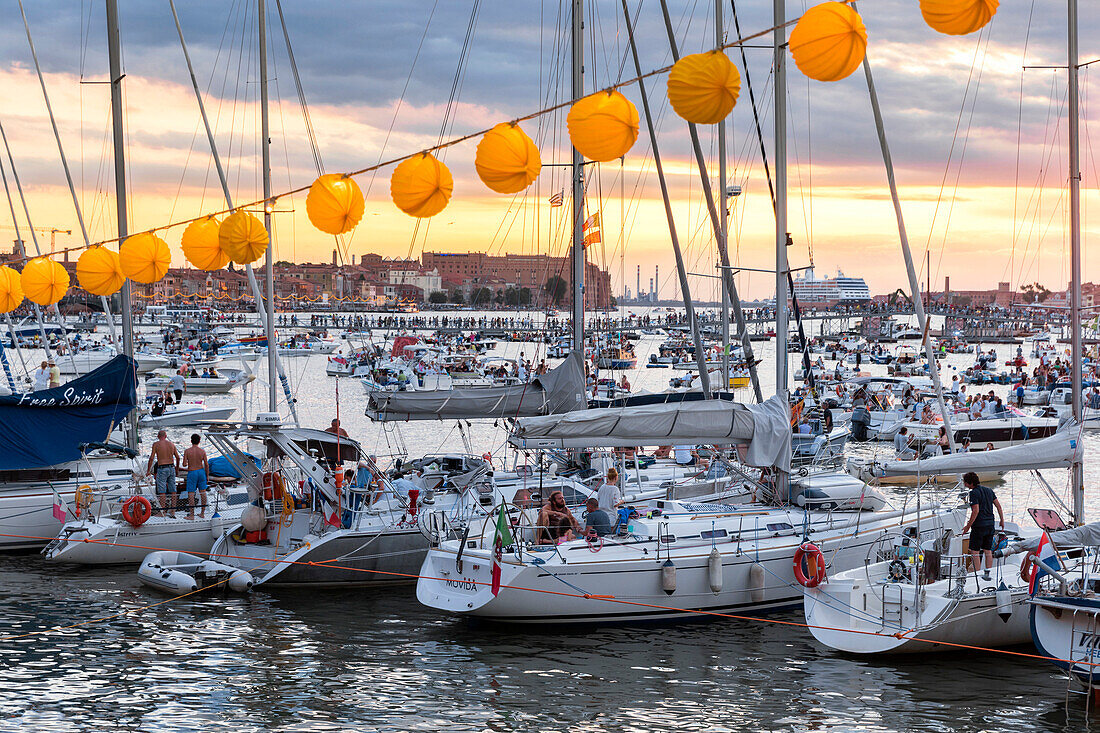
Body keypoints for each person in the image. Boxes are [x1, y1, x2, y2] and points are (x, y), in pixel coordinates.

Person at [960, 471, 1005, 582]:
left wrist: (967, 526)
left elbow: (975, 511)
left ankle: (978, 574)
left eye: (965, 482)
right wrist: (1002, 520)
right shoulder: (989, 490)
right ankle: (988, 573)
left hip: (979, 526)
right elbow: (998, 506)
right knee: (987, 550)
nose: (964, 484)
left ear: (969, 483)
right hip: (990, 524)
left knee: (975, 551)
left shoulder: (974, 493)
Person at [146, 430, 180, 517]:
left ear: (158, 436)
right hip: (171, 467)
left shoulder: (156, 444)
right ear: (166, 436)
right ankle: (173, 510)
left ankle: (163, 512)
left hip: (162, 468)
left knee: (162, 491)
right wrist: (176, 469)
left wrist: (148, 471)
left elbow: (151, 458)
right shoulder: (171, 444)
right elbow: (178, 457)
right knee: (173, 490)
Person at [181, 434, 209, 520]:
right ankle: (202, 513)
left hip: (192, 472)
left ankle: (192, 515)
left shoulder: (187, 451)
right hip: (201, 472)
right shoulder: (202, 451)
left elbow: (184, 464)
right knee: (203, 492)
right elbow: (206, 465)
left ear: (191, 441)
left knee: (191, 494)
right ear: (199, 441)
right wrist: (207, 476)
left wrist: (187, 461)